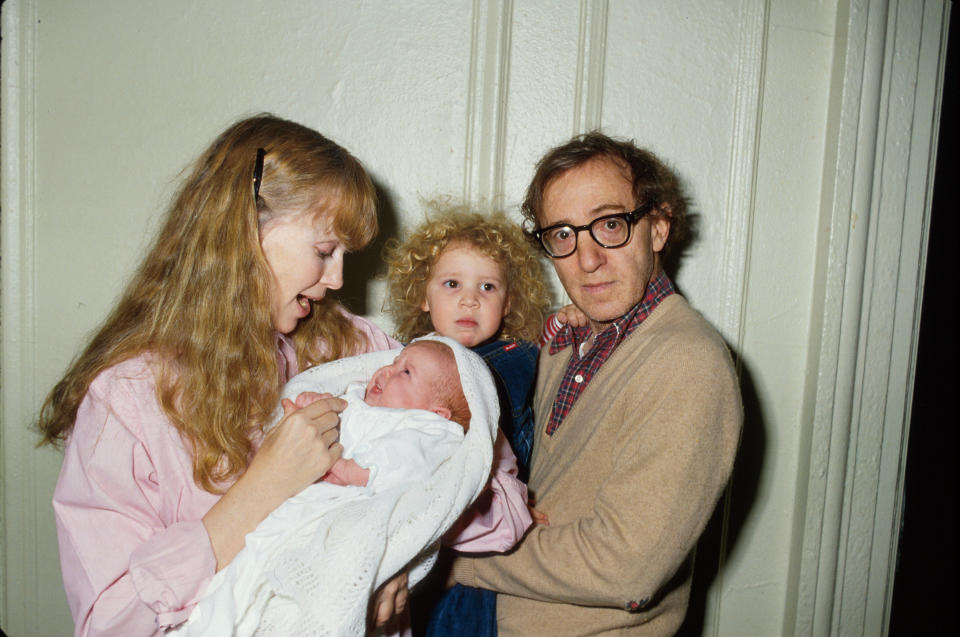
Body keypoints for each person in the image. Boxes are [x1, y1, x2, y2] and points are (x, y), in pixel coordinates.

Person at [36, 114, 408, 636]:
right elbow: (108, 624)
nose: (337, 279)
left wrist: (400, 555)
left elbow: (477, 471)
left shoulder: (358, 351)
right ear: (243, 233)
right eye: (324, 252)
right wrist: (263, 490)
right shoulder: (127, 401)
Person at [449, 132, 743, 635]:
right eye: (563, 234)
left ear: (658, 228)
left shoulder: (686, 360)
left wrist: (454, 559)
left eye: (610, 225)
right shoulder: (568, 340)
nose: (587, 259)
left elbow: (624, 568)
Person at [173, 336, 501, 637]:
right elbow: (333, 415)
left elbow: (403, 467)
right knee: (245, 572)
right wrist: (314, 402)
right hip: (298, 506)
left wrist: (348, 470)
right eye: (394, 361)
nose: (387, 370)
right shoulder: (360, 399)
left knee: (315, 586)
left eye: (406, 372)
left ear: (437, 411)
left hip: (346, 515)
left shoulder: (429, 430)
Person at [382, 206, 557, 635]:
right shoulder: (404, 359)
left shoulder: (512, 360)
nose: (469, 298)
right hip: (408, 530)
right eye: (452, 283)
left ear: (508, 301)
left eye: (488, 286)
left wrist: (568, 318)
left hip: (470, 544)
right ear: (423, 296)